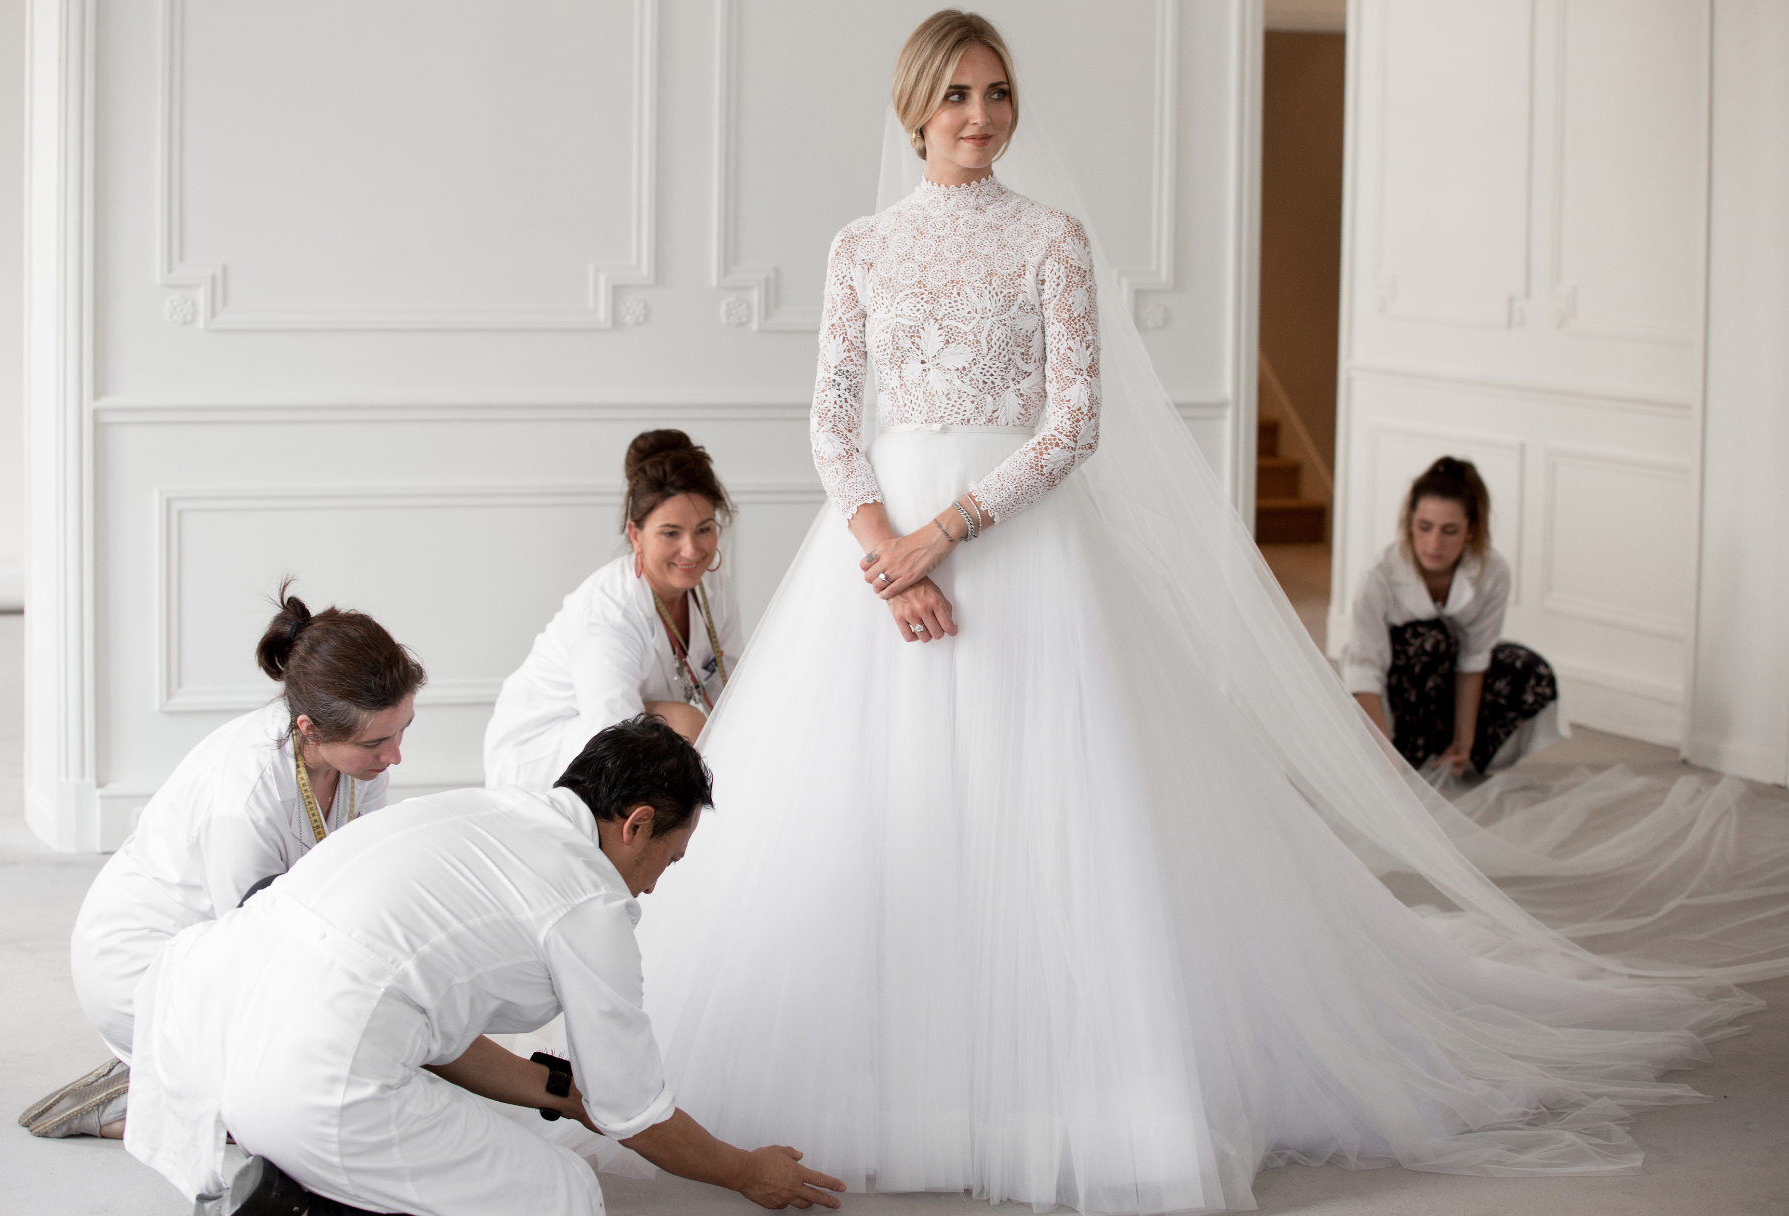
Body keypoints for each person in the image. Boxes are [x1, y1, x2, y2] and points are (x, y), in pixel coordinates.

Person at [629, 12, 1789, 1215]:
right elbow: (828, 423)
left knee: (1052, 820)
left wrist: (946, 533)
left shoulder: (1051, 240)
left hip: (1016, 552)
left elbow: (1073, 425)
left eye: (998, 93)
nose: (981, 117)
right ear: (913, 107)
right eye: (957, 96)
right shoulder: (860, 247)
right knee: (885, 812)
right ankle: (898, 1089)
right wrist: (889, 555)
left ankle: (1062, 1094)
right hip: (875, 568)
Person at [125, 717, 846, 1216]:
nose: (656, 882)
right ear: (635, 825)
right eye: (669, 857)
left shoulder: (484, 810)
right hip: (308, 1084)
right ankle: (318, 1196)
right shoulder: (586, 901)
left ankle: (304, 1177)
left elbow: (433, 1024)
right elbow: (637, 1118)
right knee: (562, 1194)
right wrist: (750, 1172)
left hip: (217, 1035)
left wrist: (565, 1096)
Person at [18, 585, 422, 1140]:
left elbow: (354, 878)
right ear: (309, 728)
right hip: (142, 968)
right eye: (379, 740)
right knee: (313, 1117)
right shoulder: (245, 798)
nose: (395, 754)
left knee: (379, 1058)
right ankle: (134, 1098)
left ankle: (183, 1081)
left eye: (404, 730)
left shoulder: (357, 759)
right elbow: (256, 946)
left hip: (222, 949)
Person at [484, 430, 743, 787]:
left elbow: (732, 691)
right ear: (636, 535)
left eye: (704, 529)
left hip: (619, 728)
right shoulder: (608, 615)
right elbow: (613, 739)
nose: (692, 550)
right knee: (683, 728)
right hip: (545, 754)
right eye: (671, 533)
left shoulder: (712, 585)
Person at [1343, 456, 1566, 775]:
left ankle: (1455, 753)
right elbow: (1363, 671)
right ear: (1410, 522)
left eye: (1449, 531)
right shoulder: (1378, 577)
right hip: (1396, 697)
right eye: (1424, 528)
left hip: (1446, 691)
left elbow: (1475, 657)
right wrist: (1383, 756)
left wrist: (1465, 740)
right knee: (1429, 638)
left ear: (1471, 530)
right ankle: (1409, 749)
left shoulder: (1493, 572)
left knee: (1530, 671)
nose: (1434, 543)